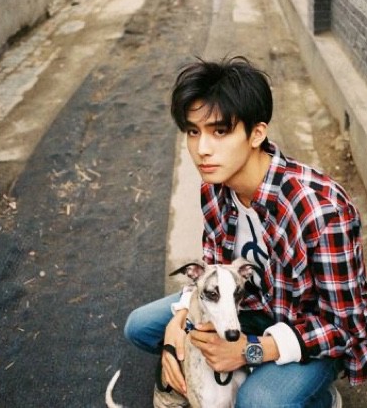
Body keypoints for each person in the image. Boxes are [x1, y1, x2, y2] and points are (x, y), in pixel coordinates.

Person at [124, 56, 367, 407]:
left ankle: (315, 398)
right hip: (246, 306)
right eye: (193, 132)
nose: (202, 149)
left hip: (309, 332)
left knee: (256, 401)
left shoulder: (321, 210)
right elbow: (214, 270)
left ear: (257, 134)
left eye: (220, 131)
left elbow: (346, 328)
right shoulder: (215, 186)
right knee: (142, 326)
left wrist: (250, 351)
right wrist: (178, 327)